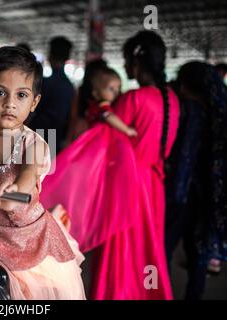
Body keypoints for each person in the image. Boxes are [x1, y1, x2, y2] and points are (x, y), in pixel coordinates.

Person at [40, 30, 180, 299]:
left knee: (122, 252)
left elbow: (102, 142)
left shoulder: (133, 99)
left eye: (128, 61)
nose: (125, 67)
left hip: (128, 186)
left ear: (137, 63)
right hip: (154, 185)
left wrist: (63, 169)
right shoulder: (172, 99)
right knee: (148, 250)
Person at [0, 46, 86, 299]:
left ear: (34, 102)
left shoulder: (36, 144)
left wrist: (12, 191)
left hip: (24, 242)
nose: (10, 103)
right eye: (0, 92)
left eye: (21, 95)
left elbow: (28, 176)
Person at [165, 61, 227, 299]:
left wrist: (172, 196)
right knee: (198, 257)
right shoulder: (220, 109)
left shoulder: (191, 110)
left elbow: (184, 158)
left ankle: (160, 293)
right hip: (211, 199)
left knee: (164, 248)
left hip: (186, 196)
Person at [28, 36, 74, 151]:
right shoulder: (69, 86)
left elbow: (34, 109)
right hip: (58, 135)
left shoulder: (46, 83)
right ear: (67, 57)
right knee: (50, 166)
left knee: (35, 166)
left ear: (50, 55)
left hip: (40, 132)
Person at [85, 66, 137, 137]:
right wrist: (127, 130)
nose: (116, 92)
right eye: (111, 89)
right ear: (96, 94)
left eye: (119, 87)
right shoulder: (102, 105)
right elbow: (108, 116)